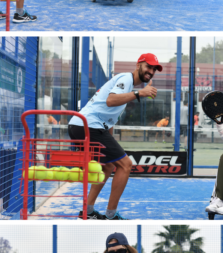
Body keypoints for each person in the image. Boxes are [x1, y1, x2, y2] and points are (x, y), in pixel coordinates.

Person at [68, 53, 162, 220]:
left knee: (108, 166)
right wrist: (139, 94)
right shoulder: (126, 79)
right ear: (138, 64)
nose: (151, 71)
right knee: (126, 165)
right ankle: (111, 215)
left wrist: (111, 141)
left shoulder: (127, 85)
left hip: (83, 126)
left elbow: (109, 119)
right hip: (87, 125)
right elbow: (111, 101)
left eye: (154, 69)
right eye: (149, 66)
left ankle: (87, 212)